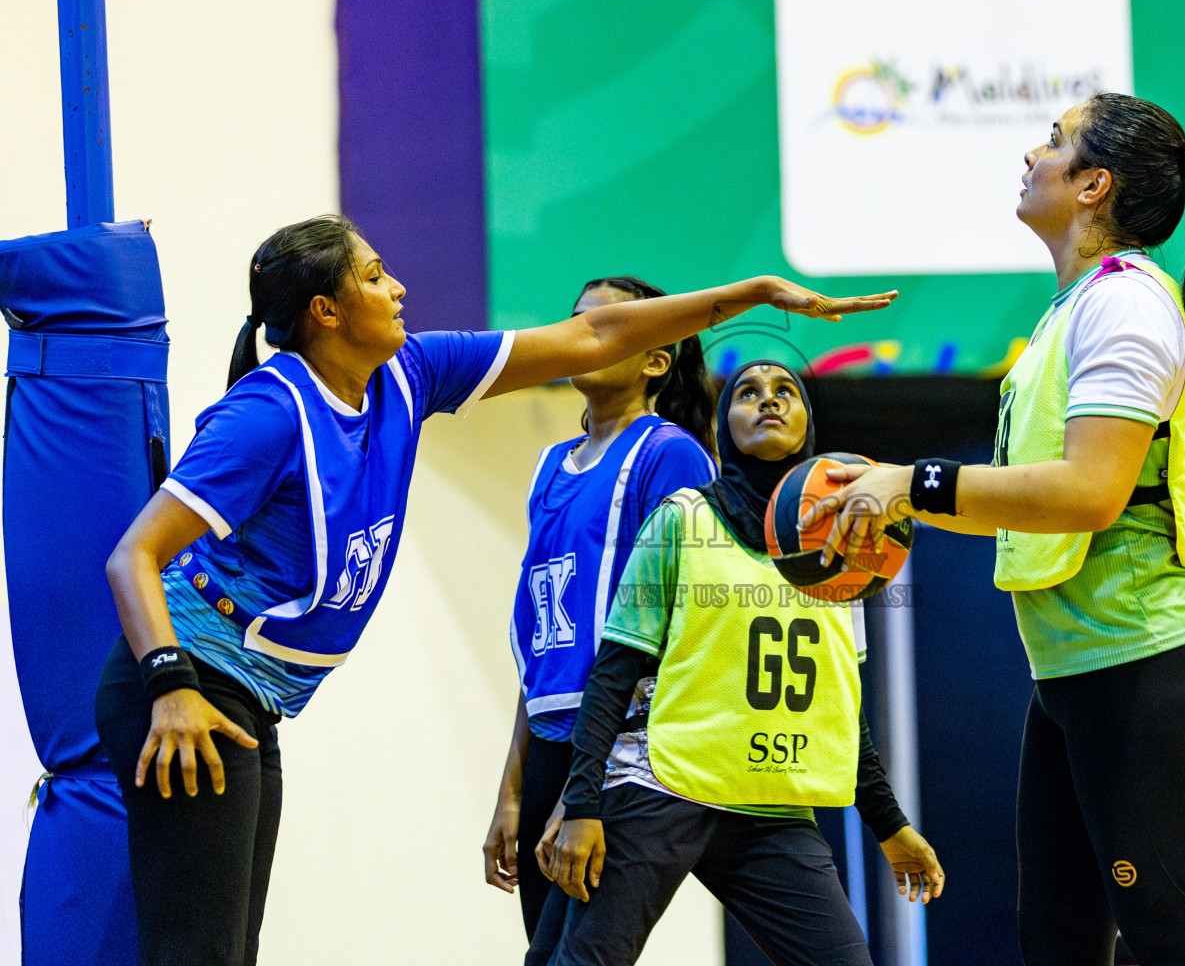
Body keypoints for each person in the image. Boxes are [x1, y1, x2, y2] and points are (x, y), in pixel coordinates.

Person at [93, 213, 895, 966]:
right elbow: (134, 555)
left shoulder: (414, 373)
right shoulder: (269, 414)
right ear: (326, 312)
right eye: (376, 276)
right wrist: (168, 685)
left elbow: (590, 335)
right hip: (190, 684)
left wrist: (748, 294)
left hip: (613, 741)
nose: (399, 287)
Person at [804, 94, 1185, 966]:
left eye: (1055, 142)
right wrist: (894, 497)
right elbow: (1037, 500)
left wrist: (913, 485)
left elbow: (1090, 494)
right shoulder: (1073, 311)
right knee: (1056, 945)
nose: (1032, 153)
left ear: (1093, 185)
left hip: (1143, 671)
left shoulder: (1127, 305)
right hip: (1073, 678)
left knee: (1178, 948)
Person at [540, 360, 944, 966]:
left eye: (786, 392)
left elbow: (843, 708)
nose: (769, 402)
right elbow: (612, 675)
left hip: (772, 807)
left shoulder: (849, 550)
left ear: (809, 420)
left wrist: (889, 825)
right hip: (663, 783)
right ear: (724, 426)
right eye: (747, 393)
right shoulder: (682, 517)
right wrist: (583, 803)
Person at [481, 276, 720, 943]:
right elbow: (538, 659)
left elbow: (676, 632)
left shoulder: (669, 456)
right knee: (547, 950)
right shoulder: (549, 466)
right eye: (575, 321)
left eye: (605, 324)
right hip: (554, 743)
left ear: (655, 358)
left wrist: (587, 789)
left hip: (621, 748)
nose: (582, 335)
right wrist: (511, 790)